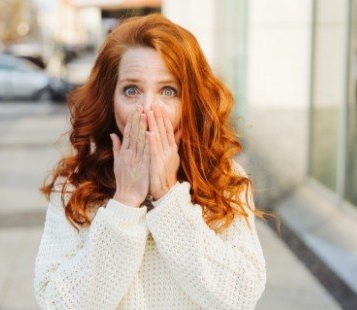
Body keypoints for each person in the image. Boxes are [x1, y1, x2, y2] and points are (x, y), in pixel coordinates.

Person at [34, 13, 269, 310]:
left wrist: (169, 196)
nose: (147, 109)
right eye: (131, 90)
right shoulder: (75, 185)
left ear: (189, 103)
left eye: (168, 91)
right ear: (110, 99)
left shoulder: (224, 178)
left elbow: (240, 297)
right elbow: (57, 302)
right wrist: (126, 202)